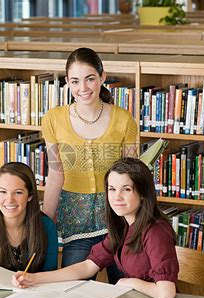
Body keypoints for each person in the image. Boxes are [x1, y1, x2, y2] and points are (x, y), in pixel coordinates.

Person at [13, 157, 178, 298]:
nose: (117, 197)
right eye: (112, 189)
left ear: (143, 193)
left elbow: (166, 293)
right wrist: (34, 278)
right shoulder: (122, 227)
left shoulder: (156, 231)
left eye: (126, 189)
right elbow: (86, 267)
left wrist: (130, 282)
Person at [41, 47, 138, 280]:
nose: (82, 88)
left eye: (90, 79)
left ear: (102, 77)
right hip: (75, 225)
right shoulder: (53, 119)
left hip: (118, 222)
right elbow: (56, 175)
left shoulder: (124, 119)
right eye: (75, 81)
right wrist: (43, 223)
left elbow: (133, 178)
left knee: (126, 290)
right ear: (67, 82)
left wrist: (137, 225)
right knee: (74, 292)